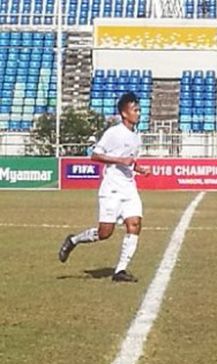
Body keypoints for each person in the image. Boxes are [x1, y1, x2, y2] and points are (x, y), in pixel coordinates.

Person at [58, 92, 150, 282]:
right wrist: (119, 159)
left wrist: (140, 169)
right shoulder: (113, 133)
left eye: (139, 110)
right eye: (135, 110)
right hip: (112, 189)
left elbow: (129, 162)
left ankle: (120, 271)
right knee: (104, 233)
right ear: (124, 113)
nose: (138, 113)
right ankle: (73, 240)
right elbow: (95, 155)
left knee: (135, 224)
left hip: (129, 188)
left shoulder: (136, 137)